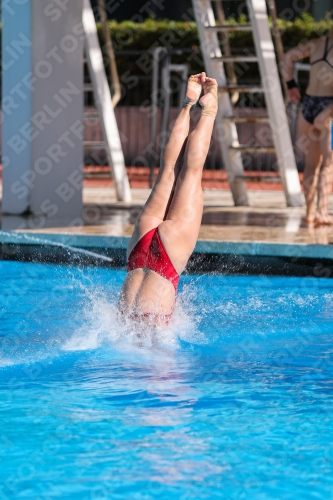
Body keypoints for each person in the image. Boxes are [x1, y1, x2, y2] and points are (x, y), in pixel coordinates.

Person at [118, 72, 218, 326]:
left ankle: (209, 109)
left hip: (166, 259)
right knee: (168, 170)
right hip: (137, 251)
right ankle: (188, 103)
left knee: (190, 174)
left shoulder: (139, 341)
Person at [282, 32, 333, 225]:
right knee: (329, 164)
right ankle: (321, 212)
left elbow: (287, 58)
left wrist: (291, 85)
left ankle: (310, 212)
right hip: (329, 110)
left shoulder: (316, 43)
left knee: (312, 165)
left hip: (308, 107)